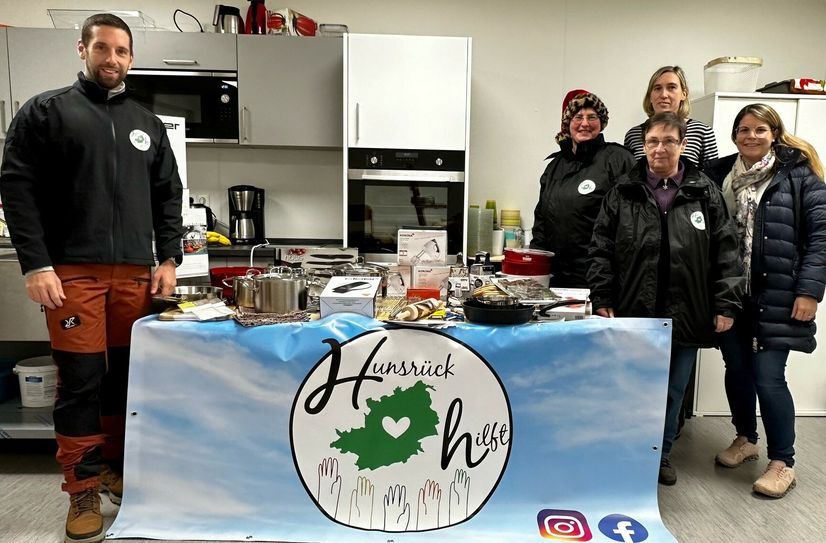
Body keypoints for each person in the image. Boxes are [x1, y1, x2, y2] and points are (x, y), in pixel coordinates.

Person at [0, 13, 183, 543]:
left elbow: (167, 195)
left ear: (131, 58)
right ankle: (81, 488)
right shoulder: (46, 112)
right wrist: (36, 264)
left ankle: (116, 470)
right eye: (103, 48)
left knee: (127, 379)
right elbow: (16, 187)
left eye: (122, 51)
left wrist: (168, 259)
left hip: (134, 276)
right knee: (81, 380)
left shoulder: (147, 124)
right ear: (83, 49)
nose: (112, 59)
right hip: (72, 274)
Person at [588, 112, 744, 486]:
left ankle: (661, 456)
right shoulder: (622, 191)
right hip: (633, 310)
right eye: (653, 141)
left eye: (669, 141)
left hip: (686, 312)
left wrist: (726, 303)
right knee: (631, 387)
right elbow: (601, 249)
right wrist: (602, 296)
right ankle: (627, 453)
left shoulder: (704, 191)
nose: (661, 148)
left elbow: (726, 250)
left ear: (682, 144)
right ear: (643, 145)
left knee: (673, 392)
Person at [703, 103, 826, 498]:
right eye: (744, 129)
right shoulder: (720, 174)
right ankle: (746, 438)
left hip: (778, 294)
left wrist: (809, 291)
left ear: (774, 133)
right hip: (731, 294)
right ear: (734, 135)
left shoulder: (798, 175)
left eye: (760, 129)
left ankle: (782, 462)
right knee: (737, 369)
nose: (751, 136)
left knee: (769, 377)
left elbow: (821, 237)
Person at [530, 89, 635, 287]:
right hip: (557, 280)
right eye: (578, 117)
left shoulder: (619, 160)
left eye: (592, 117)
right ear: (567, 124)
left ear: (601, 122)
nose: (585, 123)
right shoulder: (554, 167)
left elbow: (632, 226)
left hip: (600, 281)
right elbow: (541, 224)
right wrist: (535, 271)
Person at [624, 66, 718, 169]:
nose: (664, 95)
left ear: (684, 94)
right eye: (657, 88)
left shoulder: (703, 132)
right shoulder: (633, 135)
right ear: (650, 96)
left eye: (671, 87)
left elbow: (712, 176)